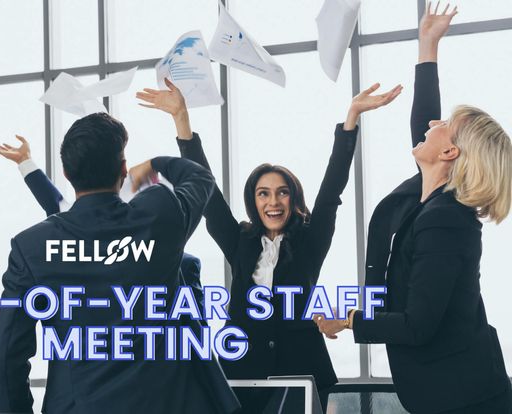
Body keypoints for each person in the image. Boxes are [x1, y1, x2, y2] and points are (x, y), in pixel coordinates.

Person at [135, 74, 401, 411]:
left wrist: (351, 119)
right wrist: (181, 118)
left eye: (281, 192)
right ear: (254, 201)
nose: (273, 202)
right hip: (243, 372)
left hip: (302, 371)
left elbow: (332, 189)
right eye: (264, 193)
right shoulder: (239, 242)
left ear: (292, 199)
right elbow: (208, 194)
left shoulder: (310, 241)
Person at [315, 4, 512, 413]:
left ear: (451, 151)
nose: (429, 125)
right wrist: (427, 45)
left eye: (443, 126)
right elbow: (424, 120)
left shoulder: (445, 221)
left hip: (467, 399)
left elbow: (418, 326)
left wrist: (351, 319)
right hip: (449, 393)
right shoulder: (423, 201)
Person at [0, 112, 240, 413]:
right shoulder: (159, 217)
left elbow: (6, 356)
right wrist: (156, 164)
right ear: (122, 169)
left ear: (67, 174)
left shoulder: (32, 246)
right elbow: (199, 177)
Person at [0, 135, 206, 313]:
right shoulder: (172, 250)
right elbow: (59, 207)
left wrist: (25, 162)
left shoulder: (185, 265)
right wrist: (155, 164)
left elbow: (58, 207)